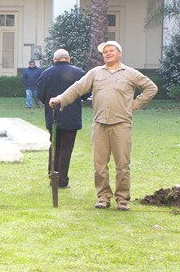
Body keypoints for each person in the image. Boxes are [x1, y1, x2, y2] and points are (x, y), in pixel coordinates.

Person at [49, 41, 158, 211]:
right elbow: (77, 88)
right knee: (99, 165)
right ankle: (103, 197)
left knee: (122, 165)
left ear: (119, 53)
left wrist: (135, 104)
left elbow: (151, 88)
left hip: (122, 125)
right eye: (105, 52)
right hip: (99, 125)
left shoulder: (130, 73)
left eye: (111, 51)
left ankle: (122, 199)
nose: (107, 53)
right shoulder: (95, 73)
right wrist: (60, 99)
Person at [37, 49, 87, 189]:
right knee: (66, 149)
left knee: (54, 146)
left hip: (52, 115)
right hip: (71, 117)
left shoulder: (46, 73)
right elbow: (85, 94)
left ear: (54, 60)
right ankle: (62, 180)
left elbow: (41, 95)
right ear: (69, 58)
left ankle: (52, 177)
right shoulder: (78, 73)